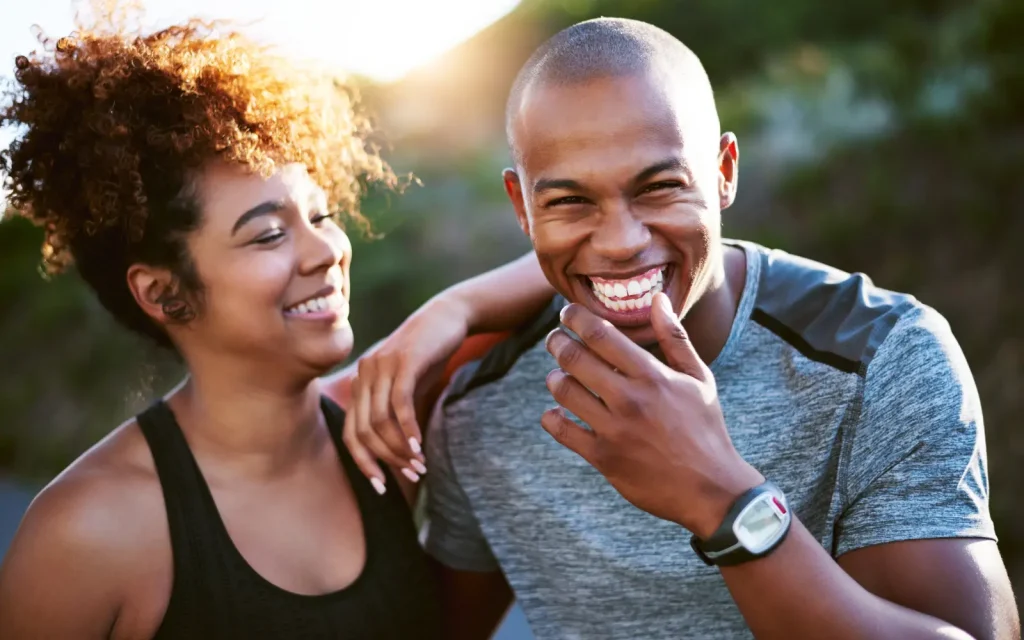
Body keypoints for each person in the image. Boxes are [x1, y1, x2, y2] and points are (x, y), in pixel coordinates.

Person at [345, 17, 1020, 640]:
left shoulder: (879, 359)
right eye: (571, 200)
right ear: (522, 208)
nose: (620, 242)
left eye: (659, 187)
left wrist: (724, 501)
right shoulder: (481, 409)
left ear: (723, 172)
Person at [0, 6, 550, 638]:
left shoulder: (385, 421)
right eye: (267, 235)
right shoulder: (86, 531)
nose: (325, 252)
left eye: (320, 216)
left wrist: (453, 309)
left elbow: (584, 260)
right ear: (163, 292)